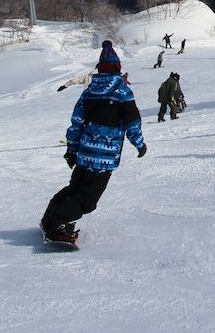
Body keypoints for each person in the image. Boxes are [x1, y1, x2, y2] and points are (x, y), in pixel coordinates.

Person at [40, 40, 146, 245]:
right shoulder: (123, 92)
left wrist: (72, 150)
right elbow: (133, 122)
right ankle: (56, 224)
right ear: (118, 68)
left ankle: (50, 218)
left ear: (100, 69)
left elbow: (76, 124)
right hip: (104, 158)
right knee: (87, 200)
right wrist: (140, 145)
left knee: (75, 188)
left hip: (83, 153)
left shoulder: (88, 92)